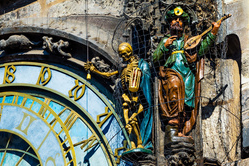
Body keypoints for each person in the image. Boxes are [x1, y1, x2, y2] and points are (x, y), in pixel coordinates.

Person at [153, 6, 223, 140]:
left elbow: (201, 50)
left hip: (188, 75)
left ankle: (182, 131)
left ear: (184, 24)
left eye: (180, 20)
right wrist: (164, 46)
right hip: (171, 73)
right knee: (174, 92)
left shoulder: (188, 41)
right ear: (169, 23)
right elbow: (155, 59)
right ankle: (171, 133)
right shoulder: (165, 41)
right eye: (174, 19)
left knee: (185, 103)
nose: (177, 22)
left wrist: (213, 32)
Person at [84, 42, 153, 151]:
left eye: (125, 54)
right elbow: (108, 75)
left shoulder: (140, 65)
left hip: (136, 97)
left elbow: (145, 81)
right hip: (126, 97)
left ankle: (140, 142)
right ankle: (133, 144)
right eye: (121, 55)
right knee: (128, 124)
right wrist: (94, 70)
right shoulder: (123, 68)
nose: (123, 57)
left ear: (130, 52)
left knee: (133, 120)